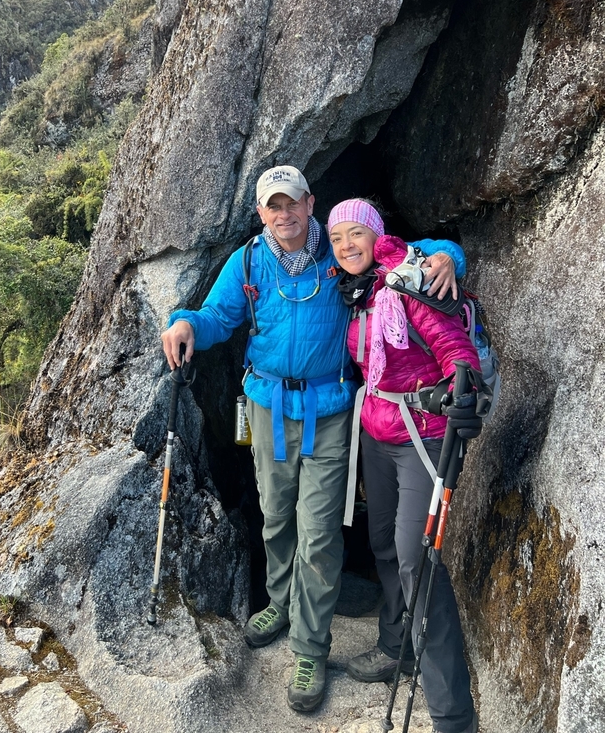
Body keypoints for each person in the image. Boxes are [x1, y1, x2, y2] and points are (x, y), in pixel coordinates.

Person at [161, 166, 465, 714]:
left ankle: (310, 645)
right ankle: (281, 599)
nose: (285, 214)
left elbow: (416, 252)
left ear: (311, 203)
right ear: (262, 213)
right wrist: (185, 324)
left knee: (319, 528)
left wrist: (448, 257)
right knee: (275, 514)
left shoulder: (345, 248)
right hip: (267, 405)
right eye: (273, 206)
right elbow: (218, 317)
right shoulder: (250, 261)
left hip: (328, 409)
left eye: (293, 203)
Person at [327, 198, 481, 733]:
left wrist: (462, 389)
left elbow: (453, 347)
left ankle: (452, 716)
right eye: (337, 237)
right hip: (376, 431)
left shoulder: (408, 279)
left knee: (419, 563)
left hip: (424, 435)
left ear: (376, 234)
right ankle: (397, 648)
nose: (347, 245)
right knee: (385, 546)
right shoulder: (354, 289)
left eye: (355, 234)